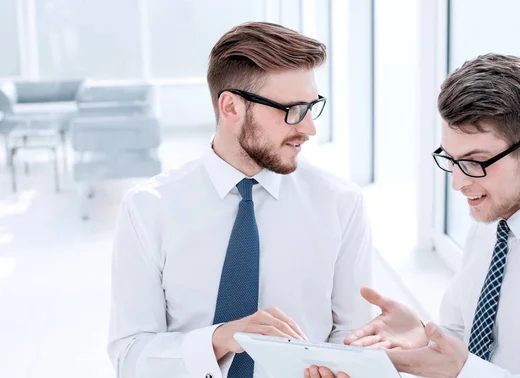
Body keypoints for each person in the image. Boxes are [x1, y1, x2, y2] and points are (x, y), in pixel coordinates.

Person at [107, 22, 374, 378]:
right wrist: (217, 340)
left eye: (312, 107)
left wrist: (340, 367)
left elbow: (353, 335)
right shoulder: (148, 208)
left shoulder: (340, 203)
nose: (309, 128)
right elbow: (130, 355)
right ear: (231, 107)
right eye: (293, 110)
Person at [314, 53, 520, 378]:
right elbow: (463, 339)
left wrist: (464, 371)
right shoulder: (492, 220)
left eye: (475, 162)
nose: (458, 183)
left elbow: (466, 366)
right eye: (451, 159)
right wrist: (421, 333)